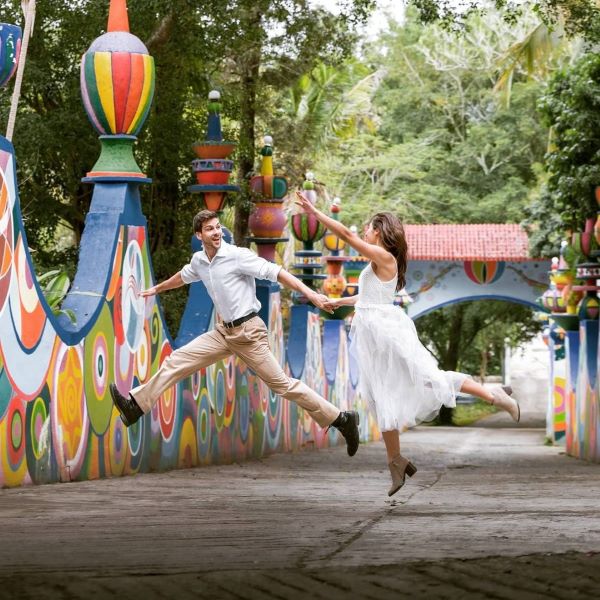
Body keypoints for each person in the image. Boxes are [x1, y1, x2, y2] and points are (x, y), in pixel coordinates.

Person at [295, 193, 521, 496]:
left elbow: (346, 235)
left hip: (386, 334)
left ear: (379, 231)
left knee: (430, 379)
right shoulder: (380, 262)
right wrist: (340, 301)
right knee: (380, 398)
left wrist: (315, 212)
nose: (363, 231)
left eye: (368, 228)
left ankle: (495, 397)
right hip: (373, 333)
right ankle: (396, 461)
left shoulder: (384, 257)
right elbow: (370, 298)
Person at [109, 209, 360, 456]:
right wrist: (157, 289)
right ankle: (136, 406)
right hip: (223, 333)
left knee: (283, 385)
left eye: (218, 227)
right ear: (200, 235)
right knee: (177, 360)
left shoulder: (238, 256)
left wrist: (312, 295)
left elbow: (278, 273)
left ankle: (341, 419)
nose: (216, 232)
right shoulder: (199, 261)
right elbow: (184, 277)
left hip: (249, 334)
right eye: (210, 229)